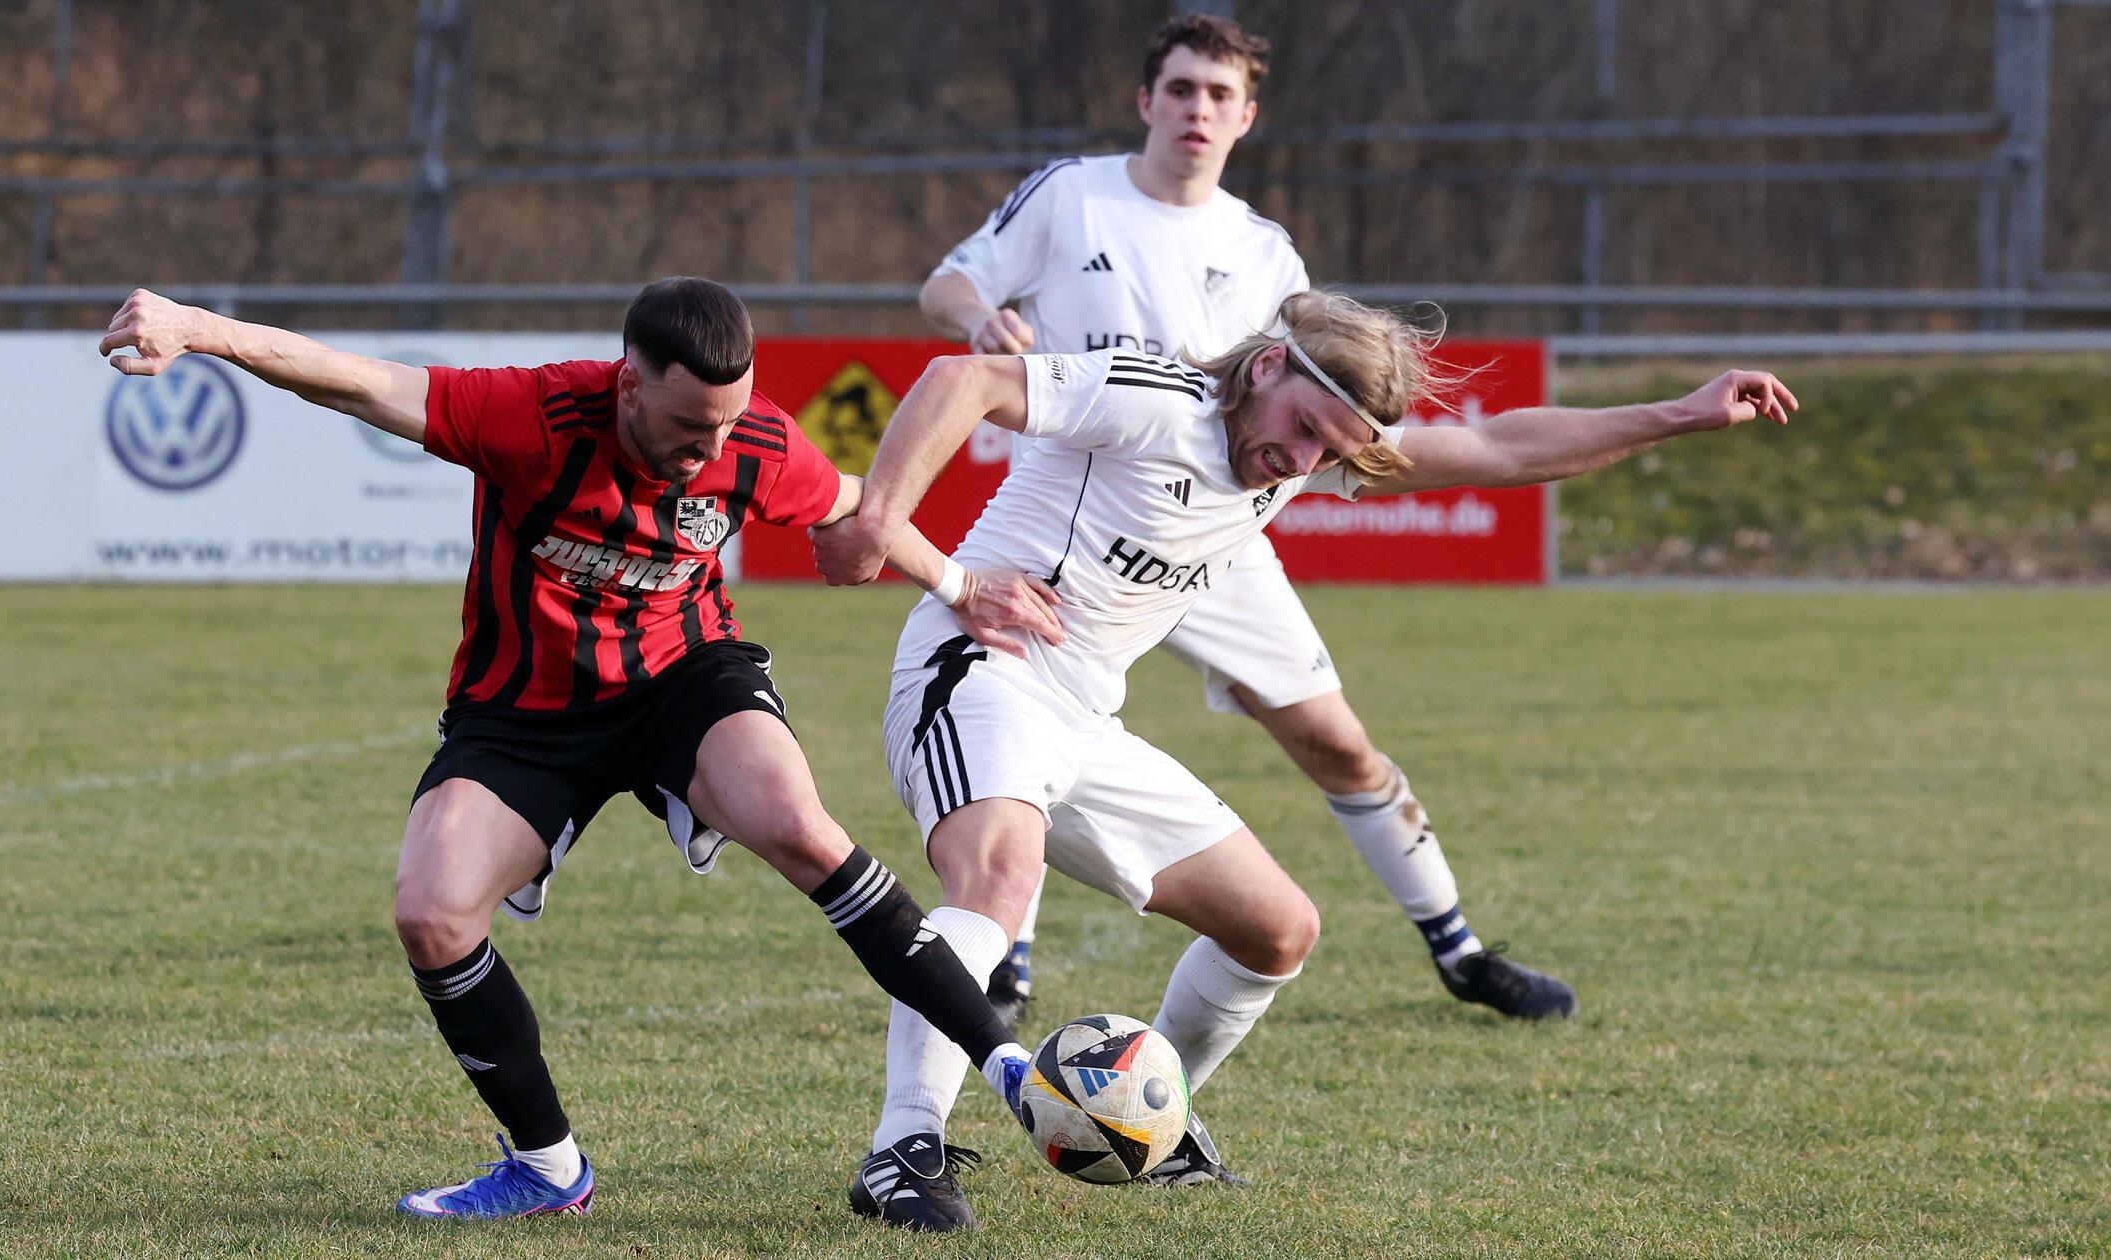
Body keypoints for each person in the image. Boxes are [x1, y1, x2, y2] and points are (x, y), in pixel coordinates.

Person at [818, 289, 1795, 1230]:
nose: (1299, 460)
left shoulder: (1299, 447)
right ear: (1269, 364)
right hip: (978, 671)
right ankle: (902, 1149)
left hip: (1083, 716)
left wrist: (1678, 413)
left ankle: (1145, 1118)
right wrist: (897, 531)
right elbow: (963, 376)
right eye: (1300, 430)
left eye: (1328, 452)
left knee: (1275, 930)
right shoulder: (1155, 397)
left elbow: (1498, 446)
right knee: (996, 874)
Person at [96, 278, 1060, 1221]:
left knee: (799, 826)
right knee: (432, 916)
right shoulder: (534, 414)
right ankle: (549, 1169)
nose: (713, 447)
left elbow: (859, 498)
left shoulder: (751, 439)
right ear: (629, 385)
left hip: (686, 682)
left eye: (727, 423)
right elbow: (353, 380)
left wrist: (951, 578)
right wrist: (200, 328)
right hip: (524, 713)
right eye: (692, 427)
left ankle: (1012, 1070)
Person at [920, 12, 1575, 1031]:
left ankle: (1456, 948)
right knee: (1030, 698)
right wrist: (974, 315)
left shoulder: (1265, 252)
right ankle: (1004, 960)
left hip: (1217, 541)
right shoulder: (1069, 194)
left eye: (1218, 95)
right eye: (1179, 89)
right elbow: (949, 281)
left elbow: (1332, 408)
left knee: (1338, 745)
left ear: (1246, 116)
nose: (1196, 110)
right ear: (1146, 100)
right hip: (1084, 526)